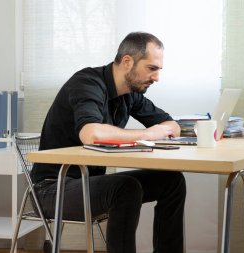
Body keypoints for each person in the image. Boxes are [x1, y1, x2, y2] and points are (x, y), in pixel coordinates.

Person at [31, 32, 186, 253]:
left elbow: (171, 125)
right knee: (126, 188)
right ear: (127, 61)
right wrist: (148, 135)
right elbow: (91, 134)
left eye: (158, 70)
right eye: (152, 68)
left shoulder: (129, 93)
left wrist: (164, 128)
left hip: (87, 182)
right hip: (52, 189)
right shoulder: (86, 83)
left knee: (172, 181)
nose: (156, 77)